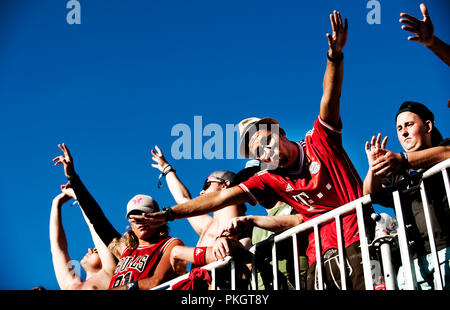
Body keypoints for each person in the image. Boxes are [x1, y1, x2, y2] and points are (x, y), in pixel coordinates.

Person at [131, 11, 370, 290]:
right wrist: (170, 214)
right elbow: (219, 199)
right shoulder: (271, 177)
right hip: (318, 255)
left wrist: (335, 56)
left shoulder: (320, 140)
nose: (266, 153)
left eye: (266, 142)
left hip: (355, 240)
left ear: (280, 132)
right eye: (259, 153)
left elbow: (330, 96)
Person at [53, 143, 186, 290]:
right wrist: (72, 177)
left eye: (145, 214)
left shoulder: (171, 244)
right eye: (134, 216)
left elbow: (156, 282)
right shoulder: (124, 249)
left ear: (157, 217)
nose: (140, 219)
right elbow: (96, 218)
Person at [363, 101, 450, 289]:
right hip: (413, 264)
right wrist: (374, 169)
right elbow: (370, 194)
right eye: (399, 128)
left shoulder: (444, 148)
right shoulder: (397, 174)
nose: (403, 133)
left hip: (446, 252)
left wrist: (403, 159)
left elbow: (447, 153)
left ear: (428, 126)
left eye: (409, 125)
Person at [150, 146, 250, 269]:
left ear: (224, 185)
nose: (202, 192)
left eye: (207, 184)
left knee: (175, 250)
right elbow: (184, 200)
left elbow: (226, 244)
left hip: (219, 283)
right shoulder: (210, 223)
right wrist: (167, 169)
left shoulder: (230, 206)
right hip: (207, 281)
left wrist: (178, 252)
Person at [50, 183, 117, 290]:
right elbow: (58, 249)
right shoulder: (70, 285)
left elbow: (95, 227)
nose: (90, 249)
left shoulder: (109, 273)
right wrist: (56, 204)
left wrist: (78, 196)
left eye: (96, 250)